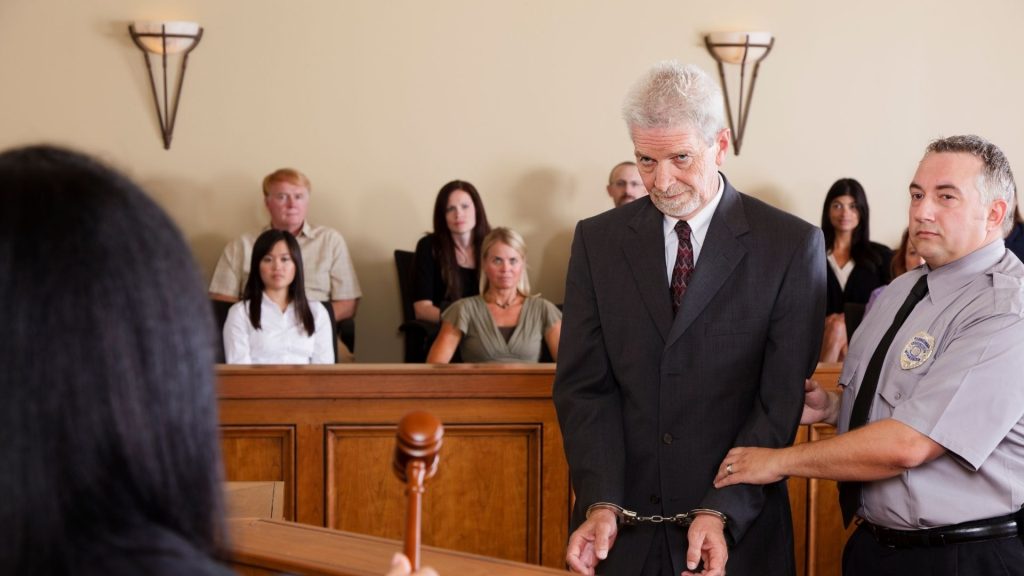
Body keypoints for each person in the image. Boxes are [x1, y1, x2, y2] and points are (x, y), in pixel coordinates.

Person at [0, 145, 436, 576]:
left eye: (297, 197)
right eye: (269, 259)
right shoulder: (239, 272)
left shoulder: (327, 261)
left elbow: (342, 317)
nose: (278, 265)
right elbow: (226, 325)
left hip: (317, 360)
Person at [552, 62, 825, 576]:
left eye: (680, 157)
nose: (661, 180)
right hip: (620, 533)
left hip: (737, 532)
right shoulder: (597, 242)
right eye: (645, 161)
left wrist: (721, 509)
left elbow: (778, 402)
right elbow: (584, 388)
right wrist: (600, 499)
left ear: (720, 145)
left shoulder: (790, 246)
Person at [714, 135, 1024, 576]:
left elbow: (910, 443)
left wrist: (776, 461)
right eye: (916, 194)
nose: (922, 211)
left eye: (945, 197)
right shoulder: (901, 290)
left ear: (994, 213)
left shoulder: (1007, 308)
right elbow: (901, 401)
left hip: (959, 556)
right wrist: (835, 407)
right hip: (875, 548)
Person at [209, 168, 360, 359]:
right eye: (282, 197)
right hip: (256, 332)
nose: (291, 204)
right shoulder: (241, 246)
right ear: (267, 202)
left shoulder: (330, 241)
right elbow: (221, 304)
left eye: (298, 196)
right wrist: (267, 320)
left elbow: (348, 303)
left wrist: (306, 321)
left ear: (308, 201)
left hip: (314, 331)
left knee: (344, 367)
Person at [426, 227, 561, 363]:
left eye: (513, 260)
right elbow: (434, 371)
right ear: (484, 264)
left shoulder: (544, 310)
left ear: (523, 264)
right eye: (497, 260)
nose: (505, 269)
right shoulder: (462, 310)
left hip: (533, 385)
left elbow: (569, 370)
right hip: (477, 385)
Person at [223, 229, 334, 364]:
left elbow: (323, 373)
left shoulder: (317, 312)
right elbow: (239, 374)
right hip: (258, 385)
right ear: (257, 266)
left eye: (285, 259)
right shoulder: (240, 313)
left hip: (306, 385)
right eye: (268, 259)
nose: (277, 266)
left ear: (296, 265)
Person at [821, 179, 893, 343]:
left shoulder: (881, 256)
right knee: (836, 328)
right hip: (819, 338)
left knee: (839, 327)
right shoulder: (812, 255)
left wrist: (845, 322)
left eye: (852, 206)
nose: (845, 213)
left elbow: (889, 305)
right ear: (828, 210)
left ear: (862, 211)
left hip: (866, 339)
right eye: (838, 205)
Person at [413, 180, 492, 323]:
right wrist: (464, 323)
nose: (458, 214)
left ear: (477, 209)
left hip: (487, 332)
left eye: (465, 206)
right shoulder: (428, 246)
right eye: (450, 209)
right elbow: (421, 309)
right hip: (446, 330)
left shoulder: (494, 245)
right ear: (442, 216)